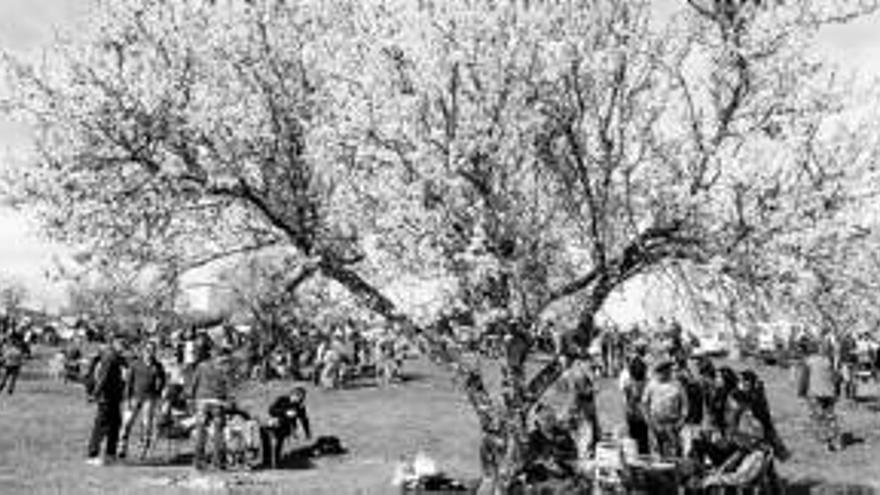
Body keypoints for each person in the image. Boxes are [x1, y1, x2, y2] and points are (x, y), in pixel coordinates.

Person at [189, 345, 235, 470]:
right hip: (217, 403)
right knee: (218, 432)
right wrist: (230, 401)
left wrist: (191, 399)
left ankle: (198, 462)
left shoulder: (201, 366)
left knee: (201, 432)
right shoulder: (225, 368)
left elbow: (194, 383)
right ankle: (219, 462)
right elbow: (229, 386)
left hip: (201, 402)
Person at [119, 341, 166, 460]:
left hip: (149, 399)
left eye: (152, 350)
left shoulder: (158, 366)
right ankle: (122, 448)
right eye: (147, 350)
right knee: (127, 423)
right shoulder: (135, 364)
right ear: (143, 351)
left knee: (146, 425)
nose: (149, 352)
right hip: (135, 397)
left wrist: (158, 393)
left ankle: (143, 451)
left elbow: (163, 381)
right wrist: (127, 399)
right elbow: (128, 382)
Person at [86, 335, 128, 466]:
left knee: (115, 425)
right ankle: (93, 455)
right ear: (114, 343)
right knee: (101, 425)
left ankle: (110, 454)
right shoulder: (109, 357)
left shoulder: (117, 357)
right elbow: (102, 378)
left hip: (115, 397)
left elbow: (126, 365)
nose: (124, 347)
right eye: (122, 344)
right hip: (106, 397)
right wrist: (95, 394)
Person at [556, 350, 600, 462]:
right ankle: (585, 454)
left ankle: (581, 453)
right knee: (586, 429)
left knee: (578, 429)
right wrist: (589, 387)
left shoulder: (569, 372)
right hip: (584, 404)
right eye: (589, 361)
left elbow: (561, 388)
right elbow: (595, 388)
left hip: (574, 405)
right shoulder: (584, 370)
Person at [642, 359, 688, 458]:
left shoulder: (677, 385)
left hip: (673, 424)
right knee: (657, 454)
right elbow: (645, 405)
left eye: (668, 370)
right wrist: (649, 422)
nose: (668, 373)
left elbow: (684, 404)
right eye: (664, 371)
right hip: (656, 424)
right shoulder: (651, 385)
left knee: (675, 453)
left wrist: (681, 421)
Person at [803, 338, 842, 451]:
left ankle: (826, 444)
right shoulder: (830, 361)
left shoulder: (809, 361)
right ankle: (836, 442)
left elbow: (804, 379)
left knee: (819, 418)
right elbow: (837, 378)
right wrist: (837, 392)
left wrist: (802, 392)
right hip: (829, 393)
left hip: (815, 393)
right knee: (830, 418)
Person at [267, 386, 312, 467]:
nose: (301, 400)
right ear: (293, 395)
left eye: (302, 398)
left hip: (286, 427)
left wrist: (307, 433)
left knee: (280, 442)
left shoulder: (299, 406)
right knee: (275, 441)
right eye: (299, 397)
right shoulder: (282, 400)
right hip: (275, 423)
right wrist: (285, 412)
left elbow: (304, 420)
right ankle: (273, 460)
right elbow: (271, 410)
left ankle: (277, 460)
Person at [621, 354, 649, 454]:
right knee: (644, 442)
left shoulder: (628, 384)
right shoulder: (647, 383)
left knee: (634, 440)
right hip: (642, 415)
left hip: (632, 414)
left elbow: (625, 400)